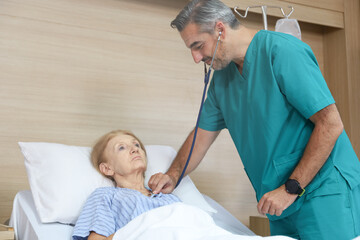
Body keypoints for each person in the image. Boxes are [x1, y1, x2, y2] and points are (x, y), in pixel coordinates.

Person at [148, 0, 360, 239]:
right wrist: (173, 175)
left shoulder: (282, 52)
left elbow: (331, 123)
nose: (196, 58)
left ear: (220, 29)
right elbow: (201, 135)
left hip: (322, 191)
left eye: (198, 46)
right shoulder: (222, 79)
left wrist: (291, 189)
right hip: (277, 201)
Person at [72, 130, 180, 240]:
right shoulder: (105, 196)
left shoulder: (169, 197)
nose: (135, 149)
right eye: (121, 147)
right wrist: (140, 228)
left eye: (136, 145)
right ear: (107, 168)